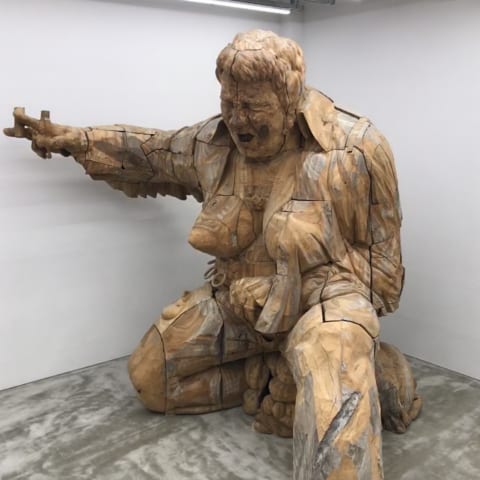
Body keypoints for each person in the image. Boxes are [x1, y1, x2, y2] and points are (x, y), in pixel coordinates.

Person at [4, 30, 420, 480]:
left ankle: (348, 367)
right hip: (237, 305)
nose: (238, 121)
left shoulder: (357, 149)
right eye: (229, 103)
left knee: (332, 423)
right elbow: (151, 153)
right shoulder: (214, 141)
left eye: (253, 107)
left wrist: (289, 290)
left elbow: (384, 277)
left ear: (289, 99)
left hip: (325, 308)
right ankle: (283, 371)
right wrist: (76, 139)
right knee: (153, 378)